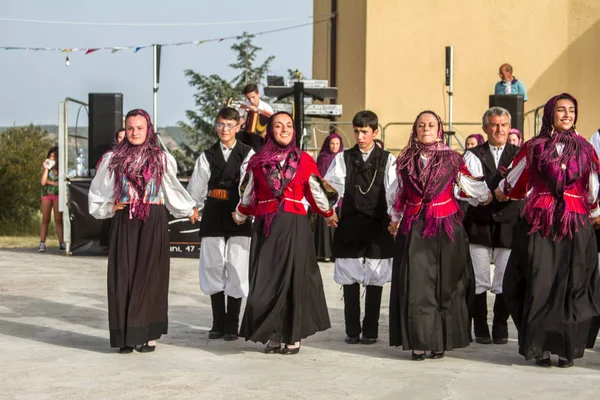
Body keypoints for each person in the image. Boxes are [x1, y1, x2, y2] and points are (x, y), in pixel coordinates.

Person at [497, 93, 600, 368]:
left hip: (574, 224)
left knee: (573, 285)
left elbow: (593, 186)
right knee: (538, 284)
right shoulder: (535, 146)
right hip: (540, 224)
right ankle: (539, 346)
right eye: (561, 110)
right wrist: (499, 191)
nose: (567, 115)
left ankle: (567, 347)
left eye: (571, 110)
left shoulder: (586, 149)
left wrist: (592, 212)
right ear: (550, 115)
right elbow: (514, 180)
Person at [89, 109, 198, 354]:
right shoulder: (113, 158)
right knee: (123, 275)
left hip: (153, 218)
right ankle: (125, 336)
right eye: (130, 128)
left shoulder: (161, 158)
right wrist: (109, 206)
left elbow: (171, 187)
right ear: (125, 130)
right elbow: (98, 191)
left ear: (148, 129)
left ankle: (147, 334)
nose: (135, 132)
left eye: (140, 128)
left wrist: (187, 207)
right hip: (125, 219)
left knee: (150, 276)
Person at [388, 110, 492, 361]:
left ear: (439, 129)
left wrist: (484, 195)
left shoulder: (452, 158)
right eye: (421, 124)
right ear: (415, 129)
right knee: (417, 284)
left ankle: (441, 340)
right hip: (414, 225)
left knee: (446, 284)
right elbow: (396, 193)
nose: (426, 128)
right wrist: (394, 217)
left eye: (431, 124)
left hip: (446, 225)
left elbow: (471, 185)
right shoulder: (403, 160)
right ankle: (419, 341)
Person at [233, 111, 338, 355]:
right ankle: (273, 334)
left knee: (293, 281)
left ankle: (292, 336)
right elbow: (249, 193)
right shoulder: (257, 161)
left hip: (294, 224)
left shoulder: (303, 159)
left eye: (289, 125)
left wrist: (328, 212)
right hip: (266, 225)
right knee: (266, 283)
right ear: (269, 131)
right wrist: (240, 213)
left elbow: (316, 190)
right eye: (278, 126)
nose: (284, 130)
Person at [324, 110, 396, 345]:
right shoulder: (343, 158)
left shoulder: (388, 159)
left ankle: (371, 330)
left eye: (364, 131)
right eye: (356, 131)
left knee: (376, 277)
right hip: (351, 222)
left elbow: (395, 192)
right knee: (350, 277)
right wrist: (329, 209)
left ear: (375, 132)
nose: (360, 136)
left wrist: (396, 218)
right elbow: (330, 186)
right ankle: (352, 330)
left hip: (377, 224)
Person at [187, 107, 254, 342]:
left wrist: (246, 209)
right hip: (214, 214)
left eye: (229, 125)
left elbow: (250, 183)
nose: (224, 130)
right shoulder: (207, 155)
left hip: (239, 214)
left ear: (238, 126)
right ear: (215, 126)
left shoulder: (247, 153)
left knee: (236, 266)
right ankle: (218, 322)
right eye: (220, 125)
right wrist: (193, 206)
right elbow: (197, 184)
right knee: (213, 266)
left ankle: (232, 324)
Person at [462, 107, 521, 346]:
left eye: (504, 125)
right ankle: (480, 325)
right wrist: (487, 194)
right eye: (494, 125)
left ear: (509, 128)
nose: (499, 130)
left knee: (505, 277)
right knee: (478, 277)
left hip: (508, 223)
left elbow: (521, 182)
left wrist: (507, 192)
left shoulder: (518, 154)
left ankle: (500, 323)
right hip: (479, 222)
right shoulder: (473, 154)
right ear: (485, 128)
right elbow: (468, 183)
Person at [314, 133, 344, 261]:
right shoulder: (323, 158)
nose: (334, 146)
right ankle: (325, 252)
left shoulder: (343, 158)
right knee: (326, 225)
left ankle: (337, 252)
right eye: (332, 143)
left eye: (337, 144)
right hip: (325, 196)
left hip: (340, 197)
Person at [39, 146, 64, 252]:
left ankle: (62, 242)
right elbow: (43, 182)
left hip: (57, 195)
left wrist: (51, 182)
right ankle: (42, 242)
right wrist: (46, 169)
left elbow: (61, 183)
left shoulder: (61, 169)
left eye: (54, 156)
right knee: (45, 219)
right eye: (50, 156)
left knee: (58, 220)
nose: (51, 158)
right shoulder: (48, 169)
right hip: (47, 194)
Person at [237, 83, 274, 152]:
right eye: (248, 98)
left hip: (260, 138)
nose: (251, 101)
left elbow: (272, 123)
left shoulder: (267, 108)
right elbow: (237, 122)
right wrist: (240, 122)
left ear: (258, 94)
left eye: (253, 97)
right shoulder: (243, 107)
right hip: (245, 135)